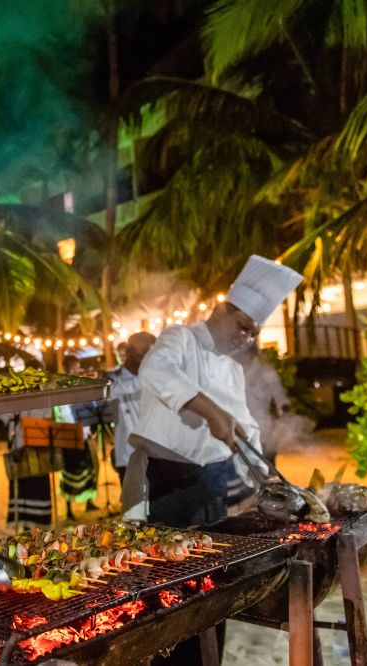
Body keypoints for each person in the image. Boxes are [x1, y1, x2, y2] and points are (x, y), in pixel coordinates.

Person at [124, 255, 302, 663]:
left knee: (210, 591)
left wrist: (271, 482)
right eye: (242, 326)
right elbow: (155, 370)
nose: (246, 339)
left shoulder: (232, 371)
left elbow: (247, 434)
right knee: (160, 594)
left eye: (253, 334)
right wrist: (212, 413)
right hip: (161, 482)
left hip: (211, 487)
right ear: (221, 310)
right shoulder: (179, 338)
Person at [106, 332, 156, 483]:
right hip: (128, 455)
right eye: (143, 353)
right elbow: (108, 392)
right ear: (130, 353)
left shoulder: (152, 374)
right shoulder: (113, 377)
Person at [58, 356, 99, 519]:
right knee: (71, 471)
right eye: (73, 368)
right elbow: (63, 411)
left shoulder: (81, 385)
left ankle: (89, 501)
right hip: (71, 434)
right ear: (67, 369)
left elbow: (91, 406)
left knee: (90, 467)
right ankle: (69, 508)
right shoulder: (61, 387)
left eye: (77, 367)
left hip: (85, 432)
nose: (76, 371)